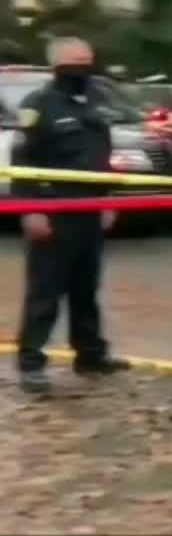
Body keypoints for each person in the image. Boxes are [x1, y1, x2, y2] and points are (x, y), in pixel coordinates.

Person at [12, 36, 131, 395]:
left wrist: (108, 200)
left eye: (88, 60)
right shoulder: (38, 105)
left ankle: (90, 355)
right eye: (77, 62)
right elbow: (22, 160)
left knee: (85, 290)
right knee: (45, 292)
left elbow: (102, 157)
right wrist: (31, 209)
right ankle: (31, 363)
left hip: (90, 211)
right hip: (54, 211)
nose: (85, 68)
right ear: (57, 66)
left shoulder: (95, 100)